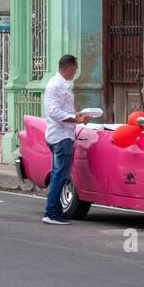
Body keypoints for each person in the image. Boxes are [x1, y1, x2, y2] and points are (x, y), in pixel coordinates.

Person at [42, 54, 92, 225]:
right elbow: (54, 112)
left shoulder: (62, 84)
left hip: (64, 135)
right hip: (60, 136)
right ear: (68, 67)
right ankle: (51, 212)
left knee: (60, 175)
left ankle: (54, 210)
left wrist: (76, 117)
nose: (75, 72)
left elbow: (62, 110)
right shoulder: (56, 85)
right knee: (60, 176)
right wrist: (74, 118)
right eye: (75, 69)